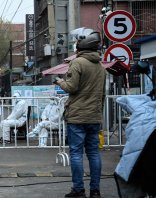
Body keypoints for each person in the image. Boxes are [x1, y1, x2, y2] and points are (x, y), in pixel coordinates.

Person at [54, 28, 106, 198]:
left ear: (82, 45)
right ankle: (95, 191)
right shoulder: (101, 67)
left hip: (77, 116)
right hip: (94, 116)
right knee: (93, 153)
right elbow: (102, 95)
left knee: (76, 153)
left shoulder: (77, 63)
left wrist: (60, 81)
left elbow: (72, 87)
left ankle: (78, 189)